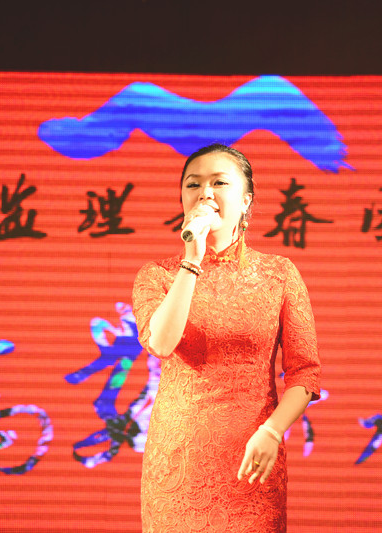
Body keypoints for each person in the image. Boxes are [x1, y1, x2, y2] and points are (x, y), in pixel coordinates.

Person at [132, 143, 321, 532]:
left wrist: (272, 431)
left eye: (219, 182)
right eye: (193, 184)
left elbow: (305, 373)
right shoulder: (157, 275)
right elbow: (161, 344)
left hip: (253, 457)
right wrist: (192, 259)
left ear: (246, 199)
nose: (205, 193)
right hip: (179, 460)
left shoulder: (279, 275)